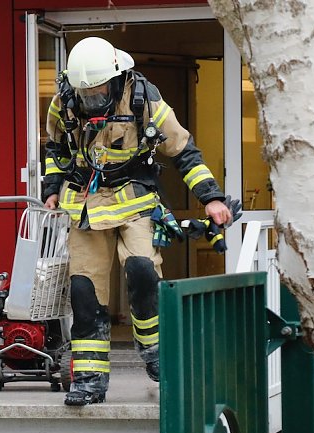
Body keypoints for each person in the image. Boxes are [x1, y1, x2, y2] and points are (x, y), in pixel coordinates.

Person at [42, 37, 232, 406]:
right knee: (84, 293)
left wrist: (211, 197)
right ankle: (90, 380)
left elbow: (184, 151)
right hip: (84, 207)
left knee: (143, 272)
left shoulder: (146, 101)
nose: (93, 99)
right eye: (87, 93)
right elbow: (56, 149)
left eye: (99, 92)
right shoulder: (64, 103)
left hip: (133, 202)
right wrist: (52, 186)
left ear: (116, 79)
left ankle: (154, 351)